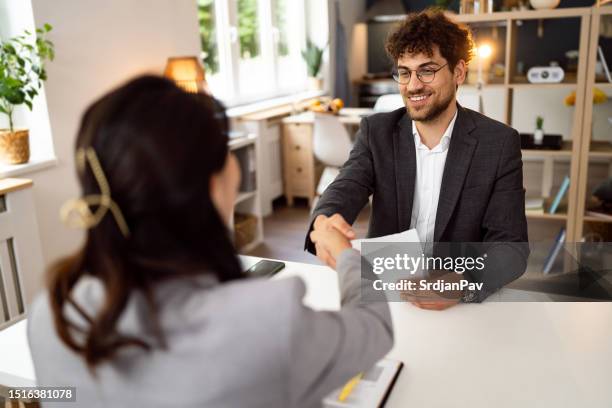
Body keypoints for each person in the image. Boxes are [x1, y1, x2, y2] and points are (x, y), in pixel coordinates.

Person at [28, 76, 393, 407]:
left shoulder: (52, 313)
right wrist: (347, 255)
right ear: (211, 183)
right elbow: (375, 328)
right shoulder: (265, 322)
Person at [306, 9, 529, 309]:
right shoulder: (377, 132)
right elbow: (345, 186)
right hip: (389, 294)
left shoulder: (499, 143)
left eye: (427, 70)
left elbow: (512, 248)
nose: (413, 85)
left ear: (459, 72)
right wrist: (323, 221)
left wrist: (461, 283)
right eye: (405, 72)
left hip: (458, 303)